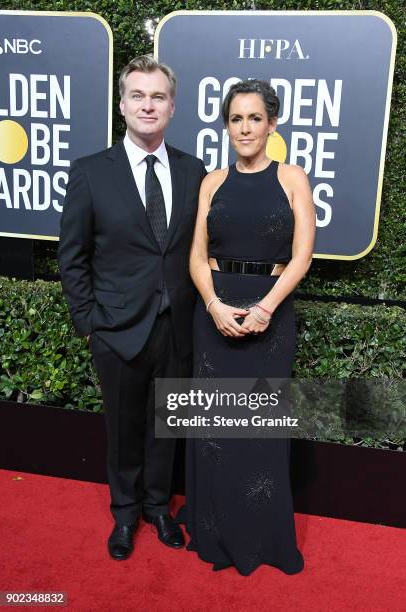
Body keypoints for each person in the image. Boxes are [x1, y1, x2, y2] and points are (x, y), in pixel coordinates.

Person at [58, 55, 206, 561]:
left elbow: (197, 250)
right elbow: (72, 257)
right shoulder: (90, 173)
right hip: (116, 329)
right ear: (122, 105)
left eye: (158, 96)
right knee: (123, 429)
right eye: (138, 96)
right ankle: (124, 516)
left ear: (172, 106)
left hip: (179, 327)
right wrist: (88, 325)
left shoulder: (194, 171)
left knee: (167, 424)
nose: (148, 105)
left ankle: (158, 507)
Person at [178, 79, 315, 575]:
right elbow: (196, 256)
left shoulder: (293, 178)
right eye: (236, 118)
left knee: (258, 430)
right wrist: (213, 303)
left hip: (271, 318)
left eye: (254, 118)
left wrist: (265, 308)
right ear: (226, 125)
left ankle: (263, 538)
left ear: (271, 123)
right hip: (212, 315)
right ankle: (214, 531)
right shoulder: (211, 182)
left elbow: (302, 257)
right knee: (215, 428)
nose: (245, 127)